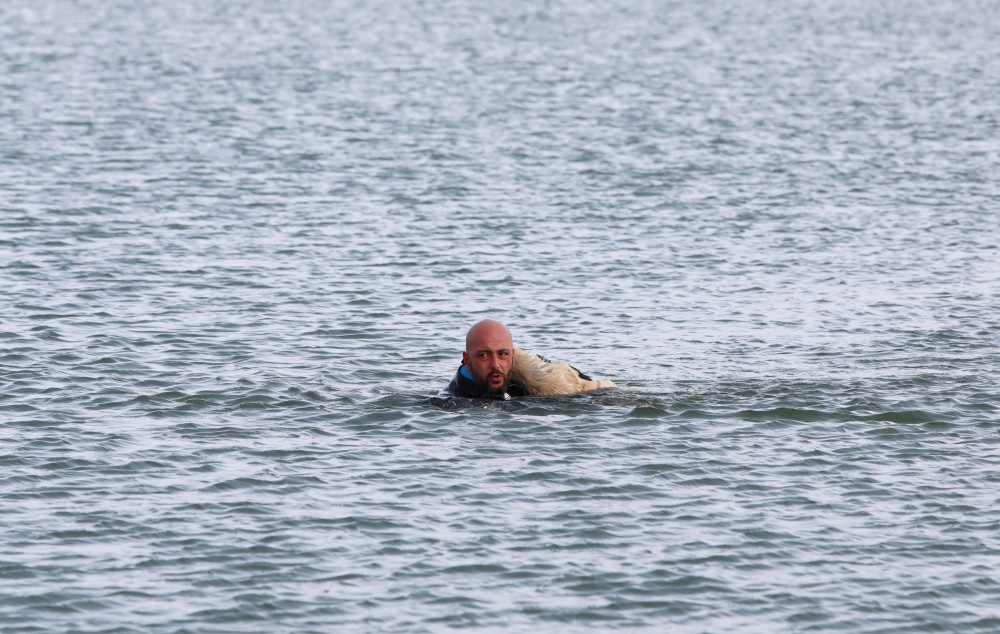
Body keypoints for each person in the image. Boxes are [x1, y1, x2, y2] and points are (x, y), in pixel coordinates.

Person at [444, 319, 614, 400]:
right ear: (467, 361)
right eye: (483, 356)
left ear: (512, 354)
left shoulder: (533, 370)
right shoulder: (454, 401)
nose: (495, 365)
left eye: (502, 354)